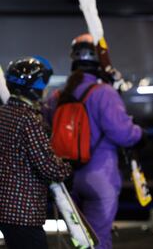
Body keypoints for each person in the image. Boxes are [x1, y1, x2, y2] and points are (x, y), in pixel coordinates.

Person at [44, 33, 143, 249]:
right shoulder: (103, 93)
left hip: (66, 178)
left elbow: (46, 127)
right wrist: (137, 131)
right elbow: (124, 134)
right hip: (100, 178)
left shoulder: (57, 95)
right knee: (97, 240)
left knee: (78, 240)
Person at [0, 56, 72, 249]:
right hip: (24, 210)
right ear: (34, 89)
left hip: (5, 208)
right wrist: (68, 168)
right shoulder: (28, 119)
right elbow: (47, 166)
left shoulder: (4, 113)